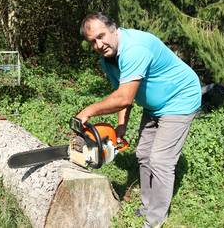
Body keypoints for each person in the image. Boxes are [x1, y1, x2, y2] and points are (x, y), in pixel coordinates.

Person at [76, 12, 201, 228]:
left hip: (180, 99)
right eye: (92, 42)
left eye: (101, 36)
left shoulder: (135, 49)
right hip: (154, 105)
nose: (98, 44)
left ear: (114, 29)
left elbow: (123, 97)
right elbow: (122, 94)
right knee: (143, 154)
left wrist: (88, 111)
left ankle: (154, 220)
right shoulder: (108, 59)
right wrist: (121, 126)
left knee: (161, 160)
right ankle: (147, 206)